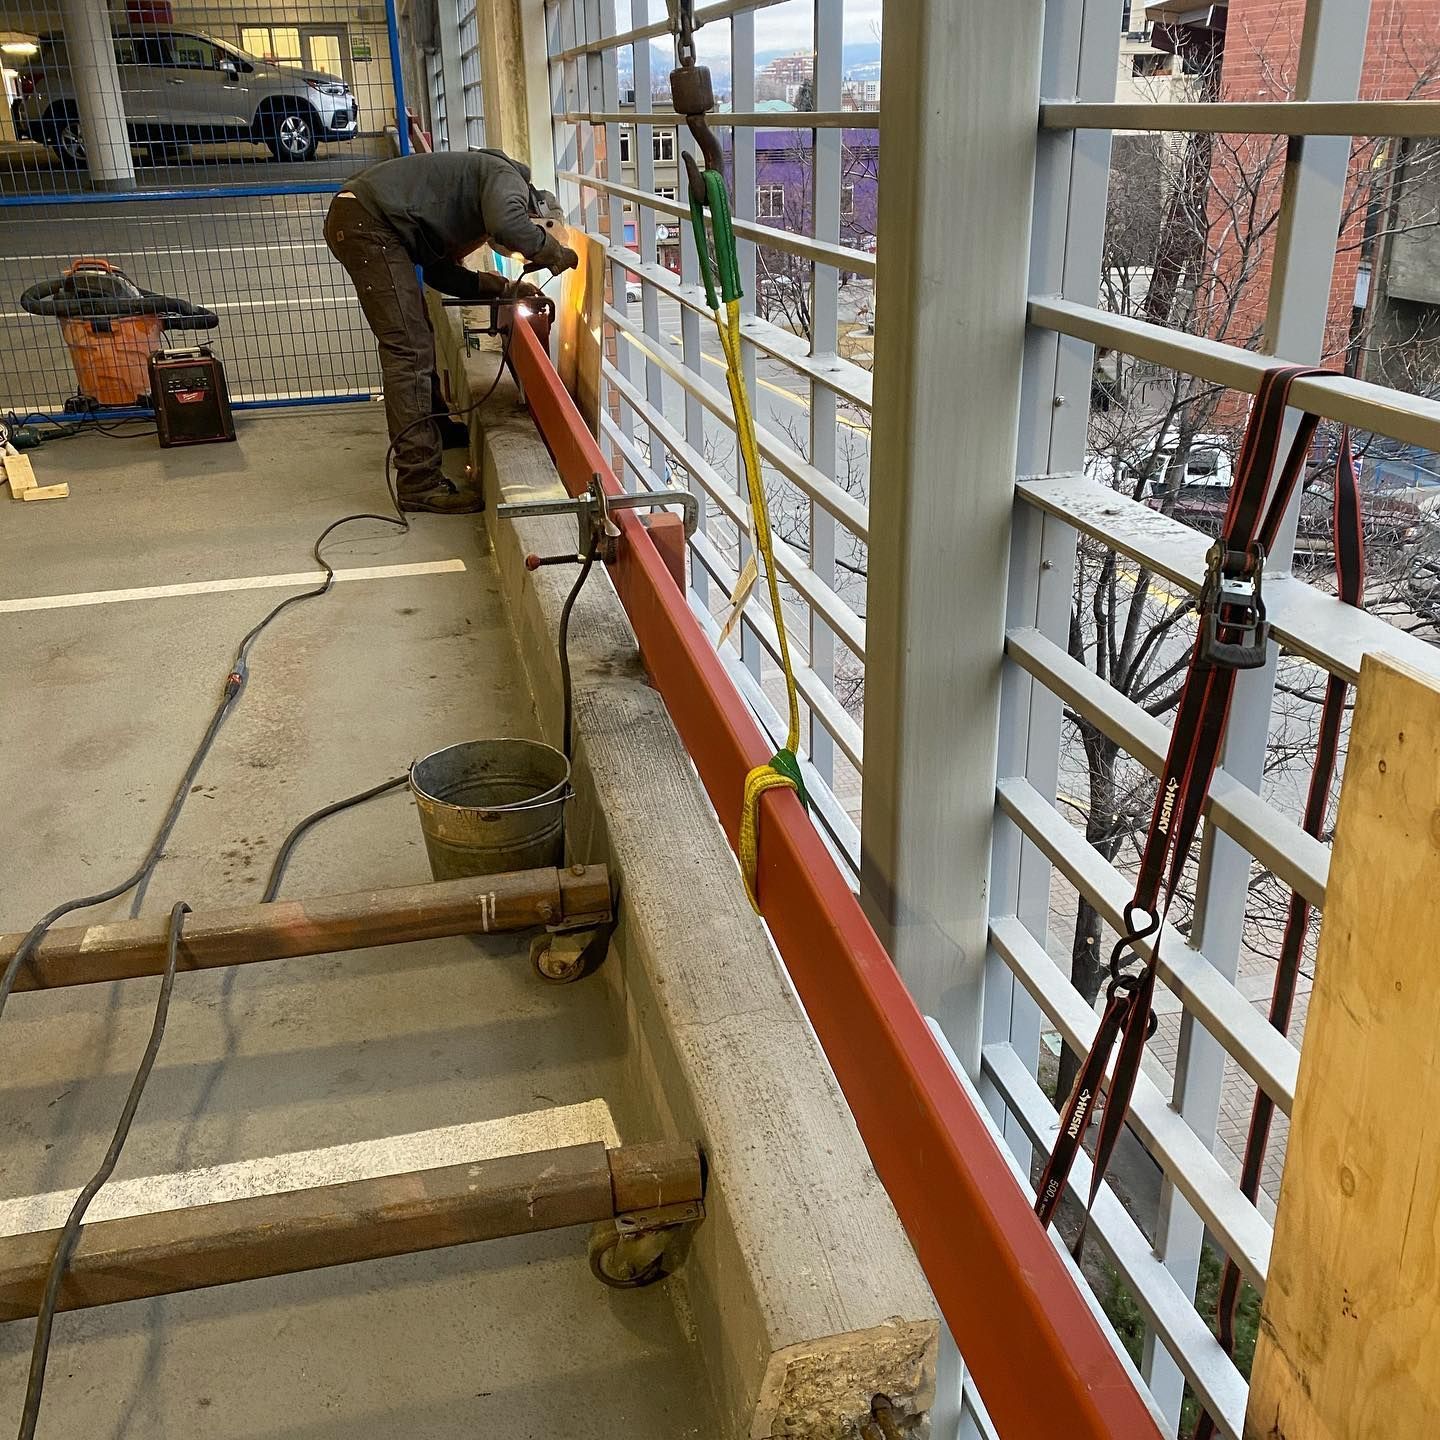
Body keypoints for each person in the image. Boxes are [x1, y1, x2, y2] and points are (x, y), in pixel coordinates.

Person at [325, 148, 579, 514]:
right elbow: (510, 225)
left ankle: (436, 430)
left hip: (364, 220)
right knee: (408, 350)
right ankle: (418, 482)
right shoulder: (508, 179)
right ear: (535, 213)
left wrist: (506, 289)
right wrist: (552, 252)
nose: (516, 250)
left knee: (416, 336)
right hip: (367, 223)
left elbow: (439, 273)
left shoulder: (474, 197)